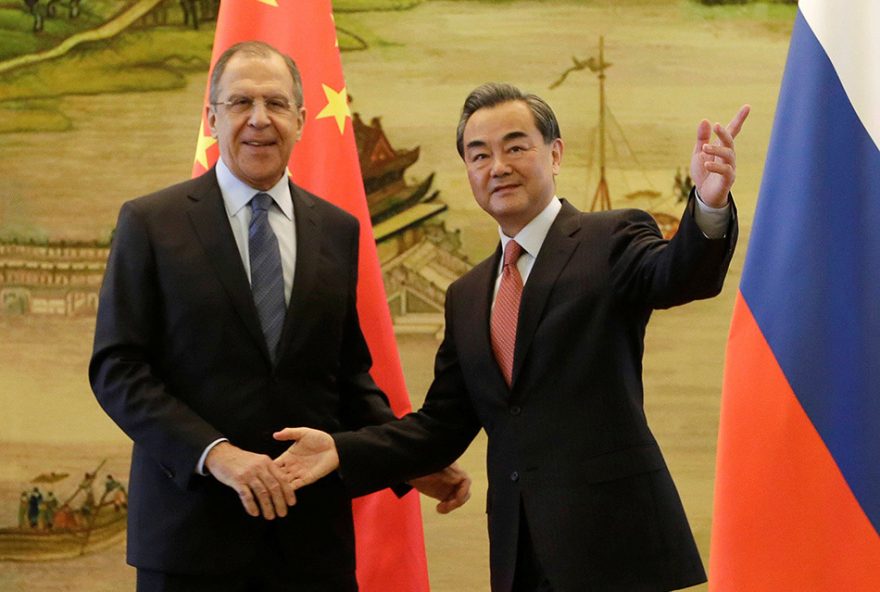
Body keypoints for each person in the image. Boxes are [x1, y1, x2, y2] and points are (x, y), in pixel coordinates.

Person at [275, 83, 749, 591]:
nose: (498, 165)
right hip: (521, 556)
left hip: (616, 550)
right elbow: (440, 427)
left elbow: (679, 274)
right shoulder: (468, 294)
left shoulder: (609, 237)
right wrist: (341, 451)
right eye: (479, 154)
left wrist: (708, 201)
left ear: (555, 153)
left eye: (516, 146)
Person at [89, 40, 468, 592]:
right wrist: (215, 455)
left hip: (312, 543)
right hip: (190, 538)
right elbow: (117, 369)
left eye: (276, 103)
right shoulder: (152, 222)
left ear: (301, 119)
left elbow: (348, 380)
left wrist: (405, 462)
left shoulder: (337, 230)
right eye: (241, 102)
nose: (259, 119)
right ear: (212, 117)